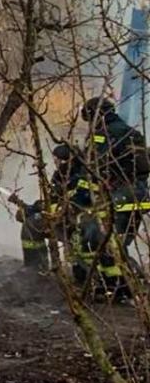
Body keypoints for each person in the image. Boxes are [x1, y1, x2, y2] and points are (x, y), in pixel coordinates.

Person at [79, 97, 150, 296]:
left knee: (102, 237)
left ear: (94, 115)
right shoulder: (131, 132)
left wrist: (82, 197)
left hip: (119, 196)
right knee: (118, 241)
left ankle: (118, 286)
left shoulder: (103, 134)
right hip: (139, 195)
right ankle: (122, 283)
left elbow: (94, 168)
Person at [10, 143, 92, 270]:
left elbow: (73, 204)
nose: (56, 164)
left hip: (80, 224)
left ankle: (85, 275)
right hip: (64, 220)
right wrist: (32, 208)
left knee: (33, 223)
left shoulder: (82, 177)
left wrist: (41, 210)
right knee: (31, 222)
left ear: (67, 161)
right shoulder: (60, 176)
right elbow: (52, 200)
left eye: (58, 160)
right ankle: (36, 268)